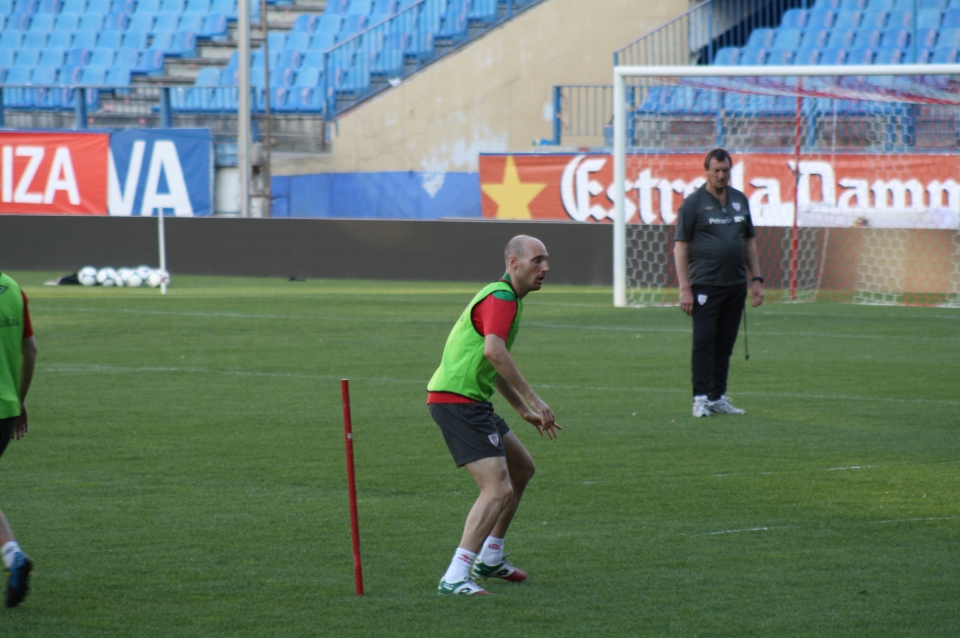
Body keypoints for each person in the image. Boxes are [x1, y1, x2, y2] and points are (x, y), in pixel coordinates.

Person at [427, 235, 561, 596]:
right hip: (457, 401)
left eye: (546, 260)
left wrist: (520, 410)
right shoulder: (502, 298)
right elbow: (494, 351)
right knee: (498, 488)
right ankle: (456, 575)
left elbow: (492, 361)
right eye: (537, 260)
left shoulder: (505, 298)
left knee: (521, 468)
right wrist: (534, 399)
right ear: (513, 263)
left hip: (469, 400)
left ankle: (491, 557)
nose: (545, 268)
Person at [674, 148, 764, 418]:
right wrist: (685, 288)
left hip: (735, 284)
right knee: (704, 341)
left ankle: (717, 397)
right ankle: (700, 398)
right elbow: (680, 247)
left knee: (725, 343)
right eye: (717, 170)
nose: (721, 175)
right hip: (705, 285)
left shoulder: (740, 200)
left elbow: (748, 242)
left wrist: (756, 279)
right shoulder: (694, 203)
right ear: (707, 171)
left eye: (726, 170)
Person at [0, 271, 37, 608]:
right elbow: (31, 350)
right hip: (7, 408)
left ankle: (14, 558)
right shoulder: (13, 288)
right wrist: (19, 400)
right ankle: (14, 558)